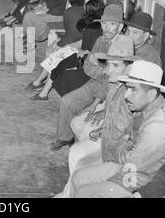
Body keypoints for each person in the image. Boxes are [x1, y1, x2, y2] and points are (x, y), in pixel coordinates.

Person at [71, 61, 165, 198]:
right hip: (131, 170)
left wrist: (125, 145)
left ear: (150, 95)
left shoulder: (159, 126)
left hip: (142, 181)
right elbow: (125, 137)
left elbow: (130, 158)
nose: (126, 95)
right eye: (127, 88)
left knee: (84, 193)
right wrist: (126, 145)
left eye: (133, 90)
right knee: (78, 177)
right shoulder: (143, 109)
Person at [55, 35, 138, 197]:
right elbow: (113, 117)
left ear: (128, 68)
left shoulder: (133, 94)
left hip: (119, 152)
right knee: (75, 152)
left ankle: (73, 192)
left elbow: (128, 133)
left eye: (115, 65)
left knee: (81, 164)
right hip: (108, 138)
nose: (108, 70)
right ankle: (69, 192)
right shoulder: (115, 85)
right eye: (108, 64)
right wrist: (101, 129)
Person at [50, 4, 125, 151]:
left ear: (120, 27)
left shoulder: (123, 46)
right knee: (66, 101)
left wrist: (97, 101)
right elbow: (88, 66)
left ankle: (82, 148)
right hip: (95, 82)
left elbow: (114, 82)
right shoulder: (100, 41)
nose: (107, 28)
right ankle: (65, 137)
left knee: (86, 121)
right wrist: (103, 71)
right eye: (104, 24)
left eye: (112, 24)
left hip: (109, 91)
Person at [25, 0, 89, 101]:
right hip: (74, 45)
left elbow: (66, 27)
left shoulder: (68, 11)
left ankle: (38, 82)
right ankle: (41, 88)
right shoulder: (85, 14)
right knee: (55, 63)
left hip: (64, 41)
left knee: (53, 59)